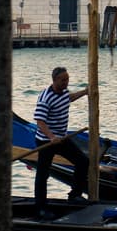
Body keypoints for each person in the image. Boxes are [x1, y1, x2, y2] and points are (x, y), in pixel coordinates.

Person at [33, 66, 90, 219]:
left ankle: (74, 195)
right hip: (46, 141)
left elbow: (69, 98)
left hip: (62, 139)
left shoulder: (64, 92)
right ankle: (41, 208)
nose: (66, 82)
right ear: (55, 80)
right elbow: (40, 121)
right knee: (42, 174)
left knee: (83, 161)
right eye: (63, 80)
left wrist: (84, 93)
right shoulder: (46, 98)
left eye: (67, 79)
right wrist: (51, 137)